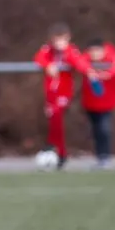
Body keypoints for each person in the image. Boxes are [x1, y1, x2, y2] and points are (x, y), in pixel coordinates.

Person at [33, 23, 93, 170]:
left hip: (64, 92)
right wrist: (47, 65)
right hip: (50, 93)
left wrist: (89, 71)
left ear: (68, 39)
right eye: (56, 41)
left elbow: (79, 62)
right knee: (53, 120)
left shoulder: (71, 51)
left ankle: (55, 149)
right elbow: (38, 58)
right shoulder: (47, 50)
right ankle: (57, 151)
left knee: (57, 117)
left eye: (62, 40)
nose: (59, 44)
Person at [79, 38, 115, 168]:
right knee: (96, 130)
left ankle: (105, 157)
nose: (94, 54)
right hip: (90, 103)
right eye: (92, 51)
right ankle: (100, 157)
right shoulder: (85, 59)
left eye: (97, 51)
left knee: (104, 129)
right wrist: (89, 71)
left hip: (107, 104)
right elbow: (79, 62)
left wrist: (108, 74)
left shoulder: (113, 57)